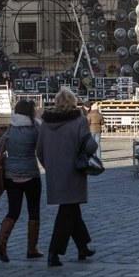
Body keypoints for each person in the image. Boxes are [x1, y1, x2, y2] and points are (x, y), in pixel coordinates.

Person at [36, 86, 97, 267]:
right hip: (74, 172)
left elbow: (39, 150)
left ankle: (83, 246)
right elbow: (90, 146)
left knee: (72, 209)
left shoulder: (46, 122)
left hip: (55, 174)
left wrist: (51, 167)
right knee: (67, 212)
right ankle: (54, 252)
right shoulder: (79, 120)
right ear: (73, 102)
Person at [0, 99, 44, 262]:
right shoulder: (36, 128)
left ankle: (1, 243)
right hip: (31, 174)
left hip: (11, 176)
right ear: (31, 112)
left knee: (13, 211)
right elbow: (42, 149)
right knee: (33, 211)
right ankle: (31, 249)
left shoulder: (10, 129)